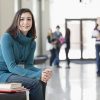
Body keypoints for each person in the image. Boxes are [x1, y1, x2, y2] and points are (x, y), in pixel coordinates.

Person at [0, 8, 52, 100]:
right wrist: (38, 75)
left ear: (32, 22)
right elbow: (11, 66)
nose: (26, 22)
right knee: (35, 83)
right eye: (22, 19)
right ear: (16, 21)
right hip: (2, 74)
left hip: (12, 74)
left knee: (42, 81)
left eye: (29, 19)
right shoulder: (7, 38)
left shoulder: (32, 43)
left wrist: (43, 73)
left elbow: (29, 66)